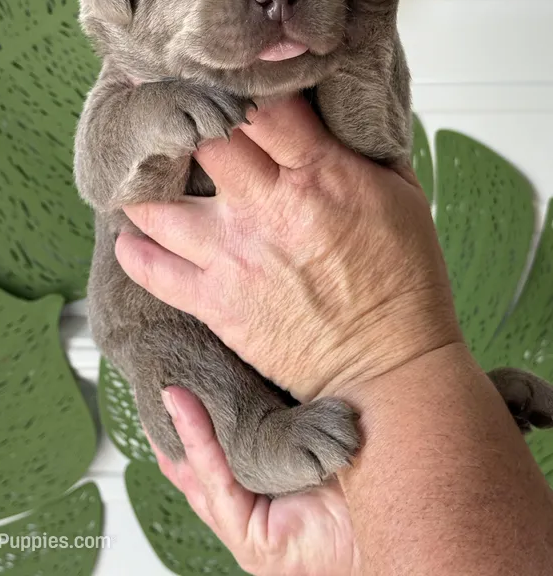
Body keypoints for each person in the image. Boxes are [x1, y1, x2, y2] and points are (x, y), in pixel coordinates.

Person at [115, 97, 553, 576]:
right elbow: (102, 172)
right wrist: (385, 353)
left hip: (334, 502)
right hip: (175, 336)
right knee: (179, 366)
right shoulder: (128, 81)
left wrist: (372, 543)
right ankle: (258, 441)